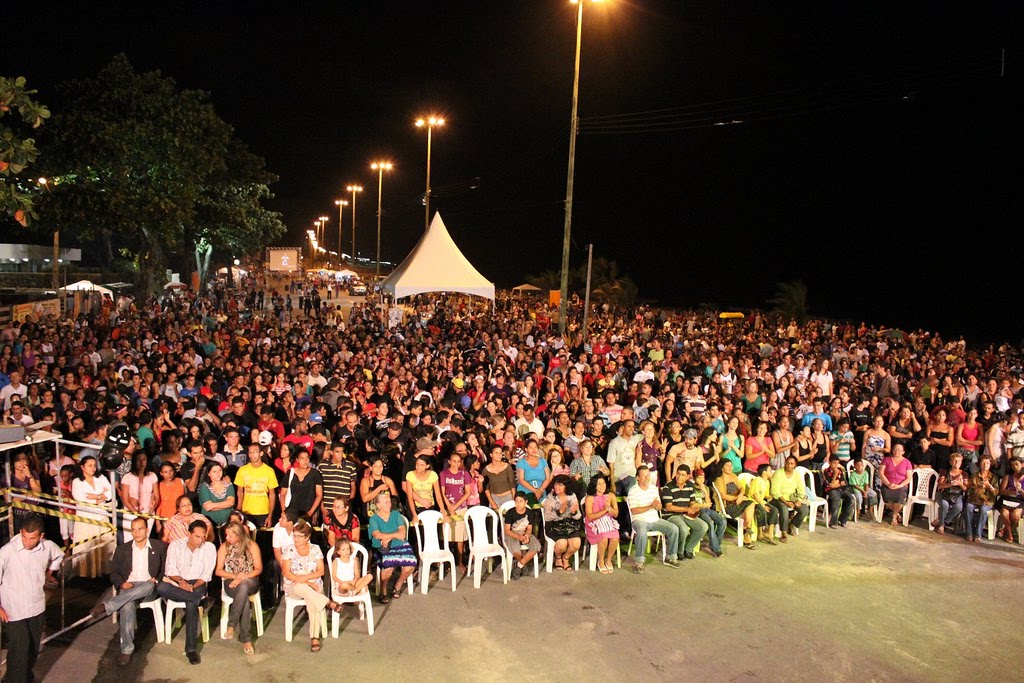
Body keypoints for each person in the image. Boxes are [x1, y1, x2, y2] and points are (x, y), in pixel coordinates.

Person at [89, 517, 167, 667]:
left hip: (148, 587)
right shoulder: (122, 549)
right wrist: (121, 583)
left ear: (147, 530)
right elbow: (114, 572)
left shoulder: (158, 547)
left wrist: (157, 579)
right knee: (126, 606)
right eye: (134, 530)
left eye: (140, 529)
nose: (137, 533)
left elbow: (164, 568)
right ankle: (126, 650)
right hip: (129, 587)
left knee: (148, 586)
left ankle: (107, 606)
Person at [0, 514, 63, 683]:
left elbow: (58, 555)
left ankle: (22, 677)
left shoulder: (47, 546)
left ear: (41, 536)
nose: (27, 542)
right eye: (24, 537)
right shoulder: (6, 552)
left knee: (33, 648)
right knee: (19, 650)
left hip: (36, 607)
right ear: (21, 532)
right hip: (13, 610)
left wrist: (50, 572)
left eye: (32, 539)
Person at [156, 520, 217, 665]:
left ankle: (191, 650)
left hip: (197, 583)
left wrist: (193, 586)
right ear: (189, 534)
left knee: (190, 604)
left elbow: (206, 574)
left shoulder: (209, 547)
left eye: (203, 537)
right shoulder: (175, 545)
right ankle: (201, 600)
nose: (200, 540)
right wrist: (182, 583)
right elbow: (170, 570)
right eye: (197, 536)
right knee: (161, 588)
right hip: (178, 582)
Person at [280, 520, 341, 652]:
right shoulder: (288, 550)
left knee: (312, 601)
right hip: (294, 585)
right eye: (295, 535)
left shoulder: (315, 549)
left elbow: (321, 571)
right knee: (300, 587)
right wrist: (307, 582)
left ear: (307, 537)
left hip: (314, 586)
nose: (296, 539)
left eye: (299, 536)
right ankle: (327, 602)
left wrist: (307, 580)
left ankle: (314, 637)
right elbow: (286, 572)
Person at [215, 521, 263, 655]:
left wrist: (243, 577)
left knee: (244, 586)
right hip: (231, 582)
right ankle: (246, 639)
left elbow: (258, 568)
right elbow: (218, 571)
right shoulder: (224, 547)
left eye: (230, 535)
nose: (227, 538)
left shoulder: (252, 546)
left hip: (250, 580)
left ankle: (231, 625)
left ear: (239, 535)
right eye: (226, 535)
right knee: (243, 594)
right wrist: (235, 576)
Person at [627, 465, 681, 572]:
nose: (647, 478)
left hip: (654, 519)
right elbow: (634, 511)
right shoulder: (633, 491)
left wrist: (658, 506)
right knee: (641, 532)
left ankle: (671, 557)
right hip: (639, 520)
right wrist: (650, 506)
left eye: (648, 475)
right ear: (637, 477)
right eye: (644, 476)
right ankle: (639, 563)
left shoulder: (653, 489)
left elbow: (659, 507)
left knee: (674, 528)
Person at [368, 492, 417, 603]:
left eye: (389, 502)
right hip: (382, 546)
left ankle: (398, 584)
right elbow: (377, 535)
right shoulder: (374, 518)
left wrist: (389, 538)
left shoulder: (396, 514)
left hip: (399, 544)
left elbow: (402, 532)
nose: (389, 504)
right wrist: (394, 535)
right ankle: (383, 590)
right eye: (386, 502)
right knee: (388, 566)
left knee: (410, 564)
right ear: (378, 505)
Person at [71, 454, 114, 577]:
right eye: (89, 466)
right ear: (82, 467)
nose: (93, 468)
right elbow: (81, 498)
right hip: (86, 519)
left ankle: (104, 572)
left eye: (94, 465)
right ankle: (84, 574)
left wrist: (95, 497)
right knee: (86, 546)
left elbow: (111, 493)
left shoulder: (101, 478)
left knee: (105, 545)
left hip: (101, 516)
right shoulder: (77, 482)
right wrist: (100, 497)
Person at [660, 465, 710, 557]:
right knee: (684, 529)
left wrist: (694, 508)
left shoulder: (690, 486)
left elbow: (692, 503)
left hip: (686, 514)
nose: (679, 477)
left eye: (683, 475)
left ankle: (688, 548)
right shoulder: (668, 487)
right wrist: (687, 509)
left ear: (688, 476)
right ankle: (679, 551)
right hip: (671, 515)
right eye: (678, 474)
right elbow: (669, 507)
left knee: (703, 526)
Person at [541, 475, 584, 571]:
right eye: (556, 484)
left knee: (576, 543)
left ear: (566, 486)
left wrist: (574, 512)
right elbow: (547, 517)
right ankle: (558, 558)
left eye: (560, 485)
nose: (557, 487)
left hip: (569, 524)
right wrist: (559, 512)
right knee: (562, 544)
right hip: (554, 525)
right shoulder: (550, 497)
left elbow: (578, 516)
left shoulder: (572, 496)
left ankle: (566, 558)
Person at [234, 443, 278, 528]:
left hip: (263, 512)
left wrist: (270, 515)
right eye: (250, 452)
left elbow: (272, 494)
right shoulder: (242, 470)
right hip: (246, 511)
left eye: (254, 452)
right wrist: (239, 509)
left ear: (261, 453)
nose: (252, 455)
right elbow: (240, 492)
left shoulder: (269, 471)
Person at [715, 459, 757, 549]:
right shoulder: (719, 480)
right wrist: (736, 498)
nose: (730, 468)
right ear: (722, 467)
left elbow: (741, 488)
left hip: (739, 502)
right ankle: (747, 533)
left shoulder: (733, 476)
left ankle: (747, 531)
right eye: (727, 466)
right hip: (729, 506)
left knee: (751, 505)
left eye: (731, 465)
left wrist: (741, 495)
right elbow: (723, 496)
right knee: (750, 507)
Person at [583, 475, 619, 573]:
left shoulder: (611, 496)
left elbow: (615, 514)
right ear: (594, 485)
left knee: (615, 537)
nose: (602, 486)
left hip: (608, 522)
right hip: (593, 523)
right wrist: (604, 510)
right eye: (599, 484)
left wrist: (609, 508)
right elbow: (590, 516)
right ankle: (601, 560)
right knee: (603, 538)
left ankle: (608, 560)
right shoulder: (590, 498)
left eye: (603, 483)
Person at [503, 490, 542, 580]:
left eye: (521, 501)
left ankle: (519, 565)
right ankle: (524, 566)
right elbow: (507, 530)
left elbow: (529, 528)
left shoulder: (529, 512)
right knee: (516, 550)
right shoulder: (510, 513)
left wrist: (527, 536)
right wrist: (518, 536)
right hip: (513, 534)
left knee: (536, 546)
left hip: (524, 533)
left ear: (526, 502)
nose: (518, 504)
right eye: (516, 501)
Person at [769, 455, 808, 541]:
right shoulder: (778, 473)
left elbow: (801, 489)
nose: (789, 465)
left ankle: (792, 524)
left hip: (791, 498)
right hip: (778, 498)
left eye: (791, 463)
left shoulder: (796, 474)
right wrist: (786, 503)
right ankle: (783, 532)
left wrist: (799, 500)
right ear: (785, 463)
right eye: (787, 463)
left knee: (804, 509)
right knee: (784, 509)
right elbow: (775, 491)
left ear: (795, 465)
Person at [964, 455, 999, 542]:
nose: (985, 465)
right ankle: (969, 533)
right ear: (979, 464)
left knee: (983, 510)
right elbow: (969, 490)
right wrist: (979, 487)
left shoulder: (994, 477)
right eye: (983, 463)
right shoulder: (974, 475)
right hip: (974, 499)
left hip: (987, 501)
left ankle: (978, 534)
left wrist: (989, 486)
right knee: (968, 507)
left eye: (987, 463)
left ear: (990, 465)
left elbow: (996, 493)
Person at [282, 447, 323, 522]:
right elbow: (283, 494)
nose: (305, 461)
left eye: (307, 458)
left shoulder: (315, 474)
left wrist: (310, 513)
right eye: (302, 458)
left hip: (308, 513)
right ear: (297, 460)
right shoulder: (290, 473)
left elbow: (319, 495)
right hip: (291, 512)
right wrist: (284, 512)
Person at [932, 452, 968, 535]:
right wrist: (951, 484)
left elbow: (965, 489)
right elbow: (940, 486)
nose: (957, 463)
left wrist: (960, 484)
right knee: (944, 505)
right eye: (955, 461)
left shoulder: (964, 474)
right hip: (943, 493)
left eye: (959, 461)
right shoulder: (945, 472)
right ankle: (941, 526)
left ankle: (943, 521)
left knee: (958, 507)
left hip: (956, 495)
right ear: (951, 462)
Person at [878, 443, 914, 525]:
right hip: (887, 484)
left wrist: (899, 485)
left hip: (901, 486)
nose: (896, 451)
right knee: (886, 496)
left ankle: (894, 517)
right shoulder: (886, 460)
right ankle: (897, 513)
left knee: (900, 497)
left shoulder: (907, 462)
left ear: (903, 452)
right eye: (895, 449)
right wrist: (888, 484)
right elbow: (881, 473)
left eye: (899, 450)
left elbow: (909, 478)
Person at [692, 468, 725, 557]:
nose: (701, 480)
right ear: (694, 478)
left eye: (703, 478)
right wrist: (704, 505)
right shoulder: (691, 488)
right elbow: (693, 504)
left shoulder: (705, 487)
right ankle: (716, 549)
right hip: (698, 511)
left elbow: (709, 503)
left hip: (707, 509)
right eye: (699, 478)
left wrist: (705, 492)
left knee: (722, 521)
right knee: (710, 523)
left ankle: (715, 544)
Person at [745, 463, 780, 544]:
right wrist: (763, 505)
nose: (771, 472)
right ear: (764, 472)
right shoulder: (757, 480)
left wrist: (773, 495)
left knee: (774, 510)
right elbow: (755, 495)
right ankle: (760, 534)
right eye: (769, 470)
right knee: (762, 511)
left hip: (761, 501)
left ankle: (770, 533)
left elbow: (766, 495)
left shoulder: (767, 482)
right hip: (754, 502)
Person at [822, 455, 856, 528]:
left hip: (841, 489)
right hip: (831, 490)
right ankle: (833, 522)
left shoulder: (840, 470)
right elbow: (830, 484)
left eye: (837, 463)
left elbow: (844, 482)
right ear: (829, 462)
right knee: (837, 500)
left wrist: (837, 484)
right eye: (834, 463)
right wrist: (835, 474)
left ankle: (842, 520)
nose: (836, 465)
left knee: (851, 500)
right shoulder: (826, 471)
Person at [198, 462, 236, 527]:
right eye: (214, 471)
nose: (218, 473)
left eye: (219, 470)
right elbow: (208, 507)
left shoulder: (228, 484)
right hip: (210, 524)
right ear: (209, 473)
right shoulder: (204, 486)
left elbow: (231, 502)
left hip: (228, 524)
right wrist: (226, 505)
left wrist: (213, 505)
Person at [996, 456, 1024, 543]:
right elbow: (1001, 491)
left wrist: (1021, 491)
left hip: (1019, 501)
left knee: (1015, 515)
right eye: (1012, 465)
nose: (1014, 467)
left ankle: (1005, 530)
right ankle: (1010, 534)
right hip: (1007, 500)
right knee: (1005, 513)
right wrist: (1010, 492)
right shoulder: (1008, 476)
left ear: (1022, 465)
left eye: (1016, 464)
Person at [515, 440, 551, 505]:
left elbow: (547, 478)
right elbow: (521, 480)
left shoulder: (543, 461)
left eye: (535, 447)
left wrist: (540, 490)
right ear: (526, 449)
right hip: (525, 493)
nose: (533, 449)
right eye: (531, 447)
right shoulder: (521, 462)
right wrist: (535, 491)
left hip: (541, 492)